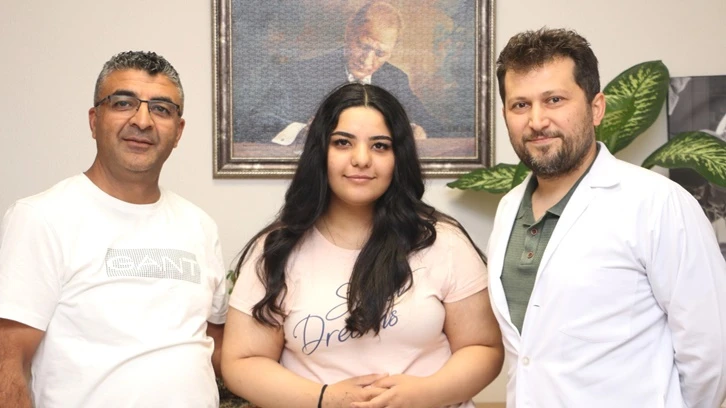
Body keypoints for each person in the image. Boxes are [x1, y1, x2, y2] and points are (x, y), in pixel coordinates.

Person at [222, 83, 503, 408]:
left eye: (380, 146)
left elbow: (483, 348)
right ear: (320, 152)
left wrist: (423, 394)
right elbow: (243, 361)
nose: (361, 159)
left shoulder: (443, 242)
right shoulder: (276, 250)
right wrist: (326, 399)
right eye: (343, 143)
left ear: (398, 157)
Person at [487, 27, 726, 407]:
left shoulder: (659, 203)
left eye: (554, 100)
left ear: (596, 107)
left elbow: (710, 351)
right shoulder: (508, 208)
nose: (537, 120)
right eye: (520, 105)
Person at [0, 51, 228, 408]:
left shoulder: (200, 225)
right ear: (94, 121)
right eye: (123, 103)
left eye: (161, 109)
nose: (143, 121)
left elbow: (219, 345)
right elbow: (7, 359)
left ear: (178, 131)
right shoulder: (41, 218)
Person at [243, 1, 445, 144]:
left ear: (392, 51)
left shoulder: (396, 79)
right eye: (363, 46)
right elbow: (256, 122)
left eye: (380, 53)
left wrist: (420, 131)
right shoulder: (300, 74)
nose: (367, 60)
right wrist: (305, 132)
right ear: (349, 31)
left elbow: (436, 128)